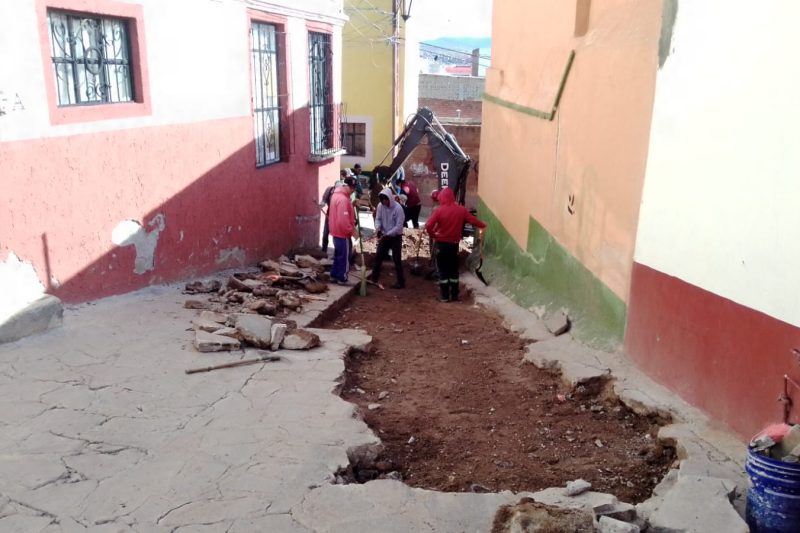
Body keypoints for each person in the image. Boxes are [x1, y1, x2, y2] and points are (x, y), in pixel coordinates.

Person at [424, 187, 486, 302]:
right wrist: (483, 225)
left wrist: (434, 235)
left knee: (443, 271)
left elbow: (428, 225)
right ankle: (455, 296)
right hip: (453, 246)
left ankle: (444, 296)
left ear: (441, 197)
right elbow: (473, 220)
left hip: (441, 245)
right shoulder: (461, 210)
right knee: (453, 271)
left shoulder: (439, 210)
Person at [368, 187, 406, 289]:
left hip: (395, 237)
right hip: (385, 236)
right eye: (382, 200)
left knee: (396, 259)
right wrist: (378, 227)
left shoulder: (398, 209)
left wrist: (388, 233)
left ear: (389, 198)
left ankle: (400, 281)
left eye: (385, 199)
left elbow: (399, 226)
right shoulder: (380, 206)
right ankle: (374, 279)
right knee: (378, 256)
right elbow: (378, 219)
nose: (383, 202)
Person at [328, 176, 359, 285]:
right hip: (342, 233)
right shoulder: (343, 200)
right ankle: (342, 277)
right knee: (345, 256)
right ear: (345, 186)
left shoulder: (337, 196)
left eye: (353, 188)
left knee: (338, 255)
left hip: (336, 231)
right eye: (351, 188)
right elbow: (343, 220)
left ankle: (334, 275)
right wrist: (352, 231)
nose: (352, 190)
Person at [320, 174, 343, 253]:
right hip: (329, 214)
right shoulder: (329, 190)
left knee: (336, 235)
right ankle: (323, 249)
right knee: (326, 232)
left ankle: (337, 251)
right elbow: (324, 200)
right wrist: (321, 204)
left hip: (338, 216)